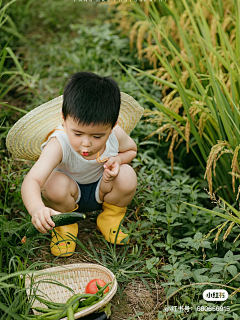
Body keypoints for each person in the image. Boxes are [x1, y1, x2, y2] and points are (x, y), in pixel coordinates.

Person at [7, 71, 143, 257]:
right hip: (68, 194)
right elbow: (32, 181)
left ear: (112, 126)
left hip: (102, 188)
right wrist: (37, 209)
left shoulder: (116, 135)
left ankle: (110, 217)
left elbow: (131, 150)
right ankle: (65, 225)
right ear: (64, 119)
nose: (86, 143)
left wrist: (118, 160)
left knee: (127, 176)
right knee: (51, 184)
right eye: (77, 134)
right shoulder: (59, 143)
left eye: (97, 136)